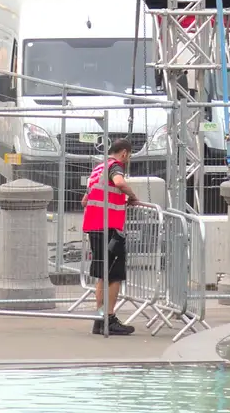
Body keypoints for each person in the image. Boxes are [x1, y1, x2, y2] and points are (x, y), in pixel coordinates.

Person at [81, 137, 138, 336]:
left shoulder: (98, 169)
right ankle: (110, 318)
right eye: (128, 156)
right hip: (110, 229)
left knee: (102, 275)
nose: (128, 159)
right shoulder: (115, 167)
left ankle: (100, 320)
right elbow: (120, 182)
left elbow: (84, 200)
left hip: (93, 227)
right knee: (114, 275)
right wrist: (132, 197)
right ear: (124, 153)